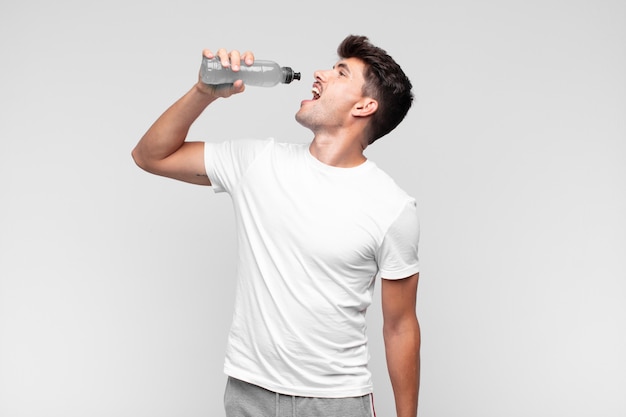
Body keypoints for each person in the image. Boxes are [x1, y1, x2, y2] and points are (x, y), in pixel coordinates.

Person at [132, 35, 421, 417]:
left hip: (336, 402)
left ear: (366, 105)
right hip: (249, 394)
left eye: (340, 72)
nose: (319, 74)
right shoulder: (257, 162)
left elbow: (400, 326)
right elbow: (149, 155)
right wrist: (204, 92)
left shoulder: (392, 207)